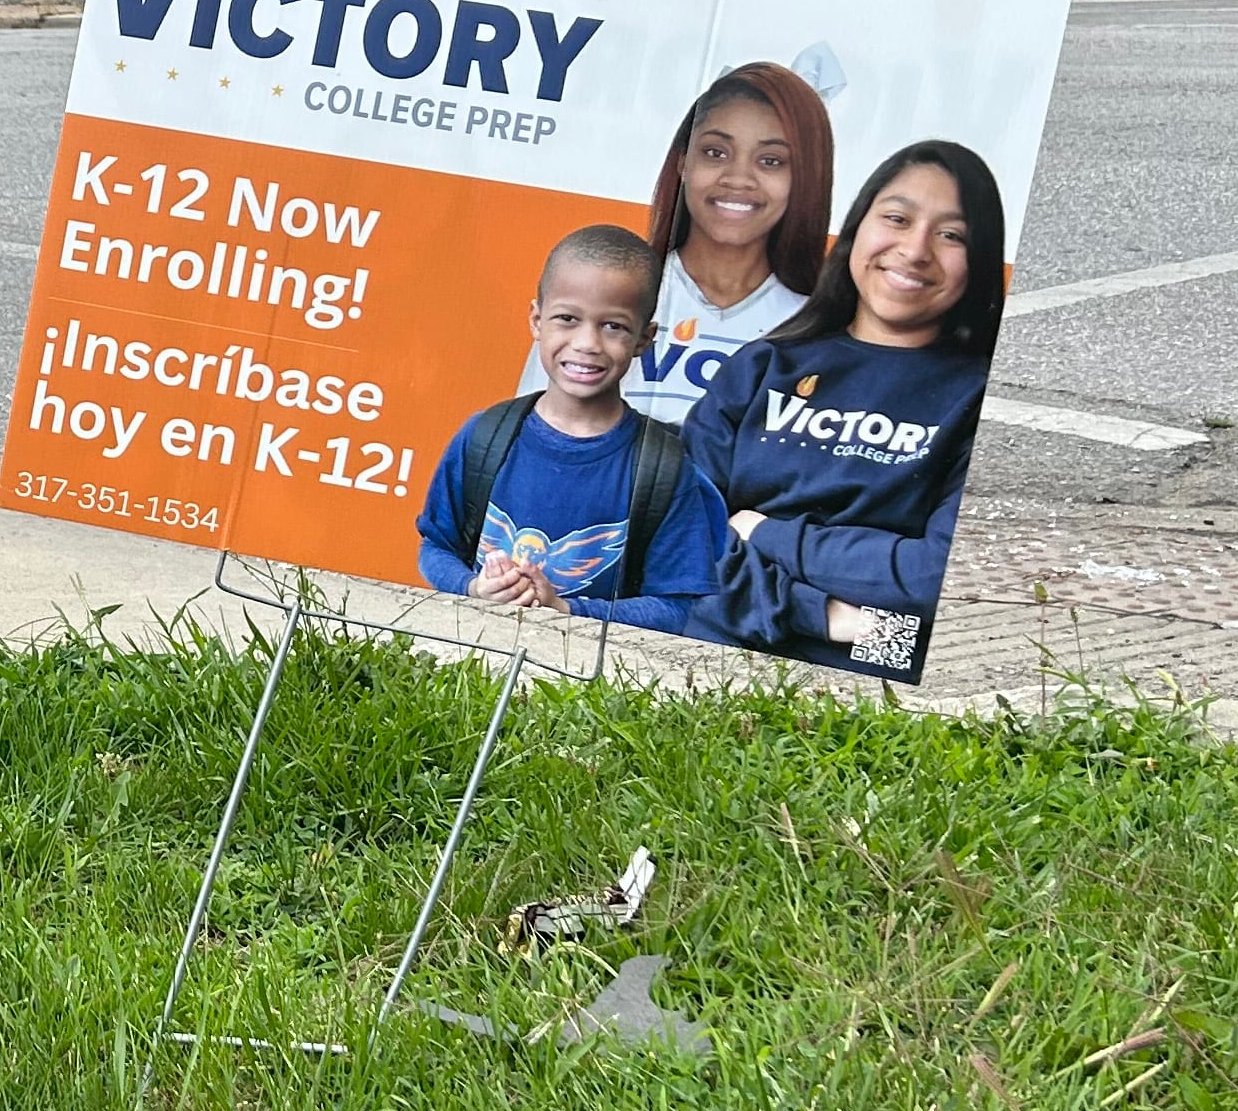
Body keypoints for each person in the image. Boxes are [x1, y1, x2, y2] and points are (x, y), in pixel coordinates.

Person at [672, 140, 1004, 681]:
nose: (915, 250)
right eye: (896, 218)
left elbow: (936, 579)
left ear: (980, 259)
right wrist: (826, 616)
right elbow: (679, 543)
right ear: (857, 230)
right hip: (726, 645)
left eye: (951, 235)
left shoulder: (978, 401)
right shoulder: (763, 367)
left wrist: (766, 532)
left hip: (874, 678)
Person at [415, 224, 732, 638]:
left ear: (645, 338)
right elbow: (435, 549)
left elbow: (672, 609)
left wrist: (563, 609)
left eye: (613, 326)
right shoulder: (485, 437)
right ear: (536, 320)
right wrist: (475, 587)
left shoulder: (665, 469)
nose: (587, 343)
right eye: (567, 319)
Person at [522, 62, 833, 425]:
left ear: (805, 178)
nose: (738, 178)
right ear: (684, 162)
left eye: (771, 161)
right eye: (716, 153)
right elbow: (536, 439)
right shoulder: (612, 290)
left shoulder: (819, 328)